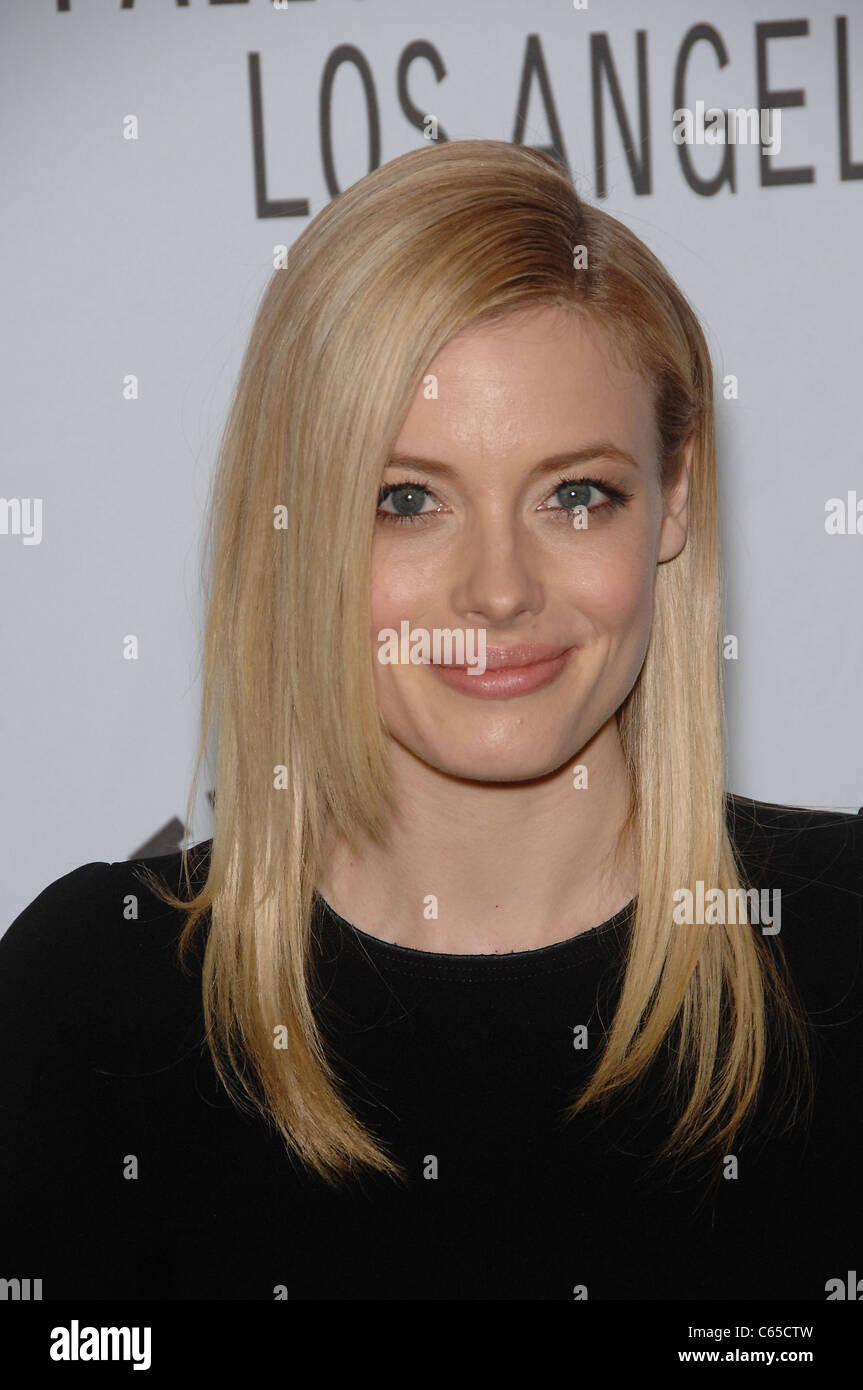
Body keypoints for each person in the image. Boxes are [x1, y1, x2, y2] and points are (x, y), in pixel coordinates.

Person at [1, 139, 860, 1302]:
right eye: (405, 500)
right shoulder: (88, 1006)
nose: (497, 589)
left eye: (574, 495)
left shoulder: (842, 945)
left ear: (675, 500)